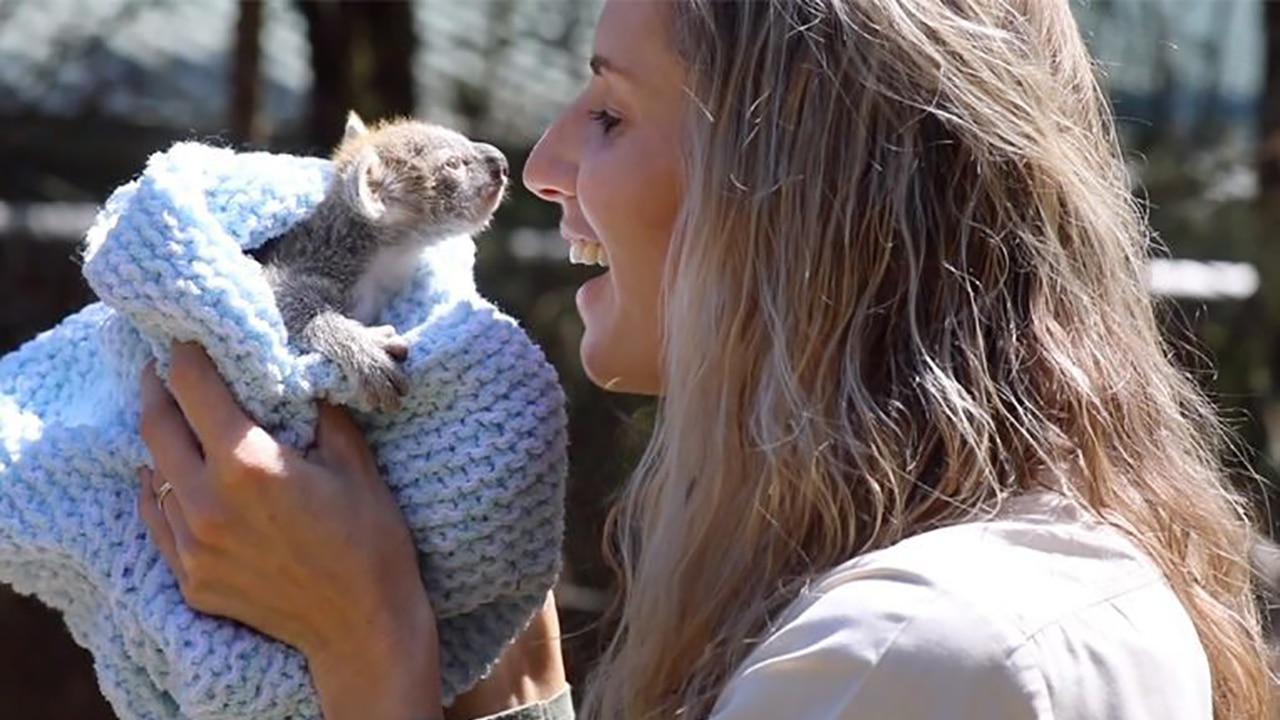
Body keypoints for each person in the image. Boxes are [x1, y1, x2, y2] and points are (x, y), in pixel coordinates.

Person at [135, 0, 1276, 718]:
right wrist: (503, 680)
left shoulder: (919, 657)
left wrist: (367, 644)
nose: (539, 163)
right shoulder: (997, 576)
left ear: (806, 194)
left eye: (614, 115)